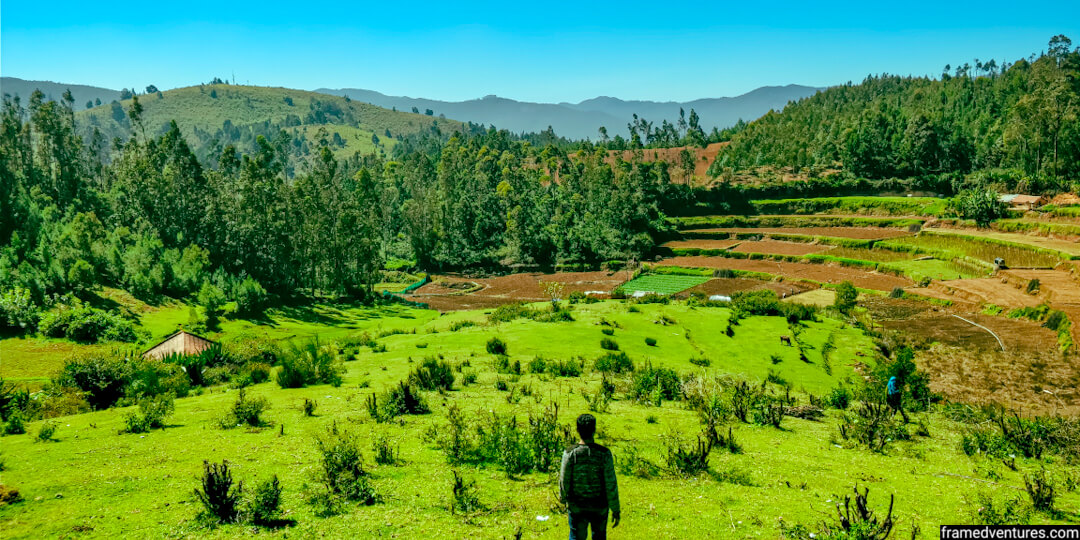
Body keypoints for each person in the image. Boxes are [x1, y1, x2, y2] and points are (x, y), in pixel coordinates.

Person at [559, 414, 620, 540]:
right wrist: (615, 509)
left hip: (577, 507)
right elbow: (610, 484)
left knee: (576, 536)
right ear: (594, 430)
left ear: (577, 430)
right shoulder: (604, 454)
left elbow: (564, 480)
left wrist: (563, 499)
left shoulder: (570, 453)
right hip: (599, 507)